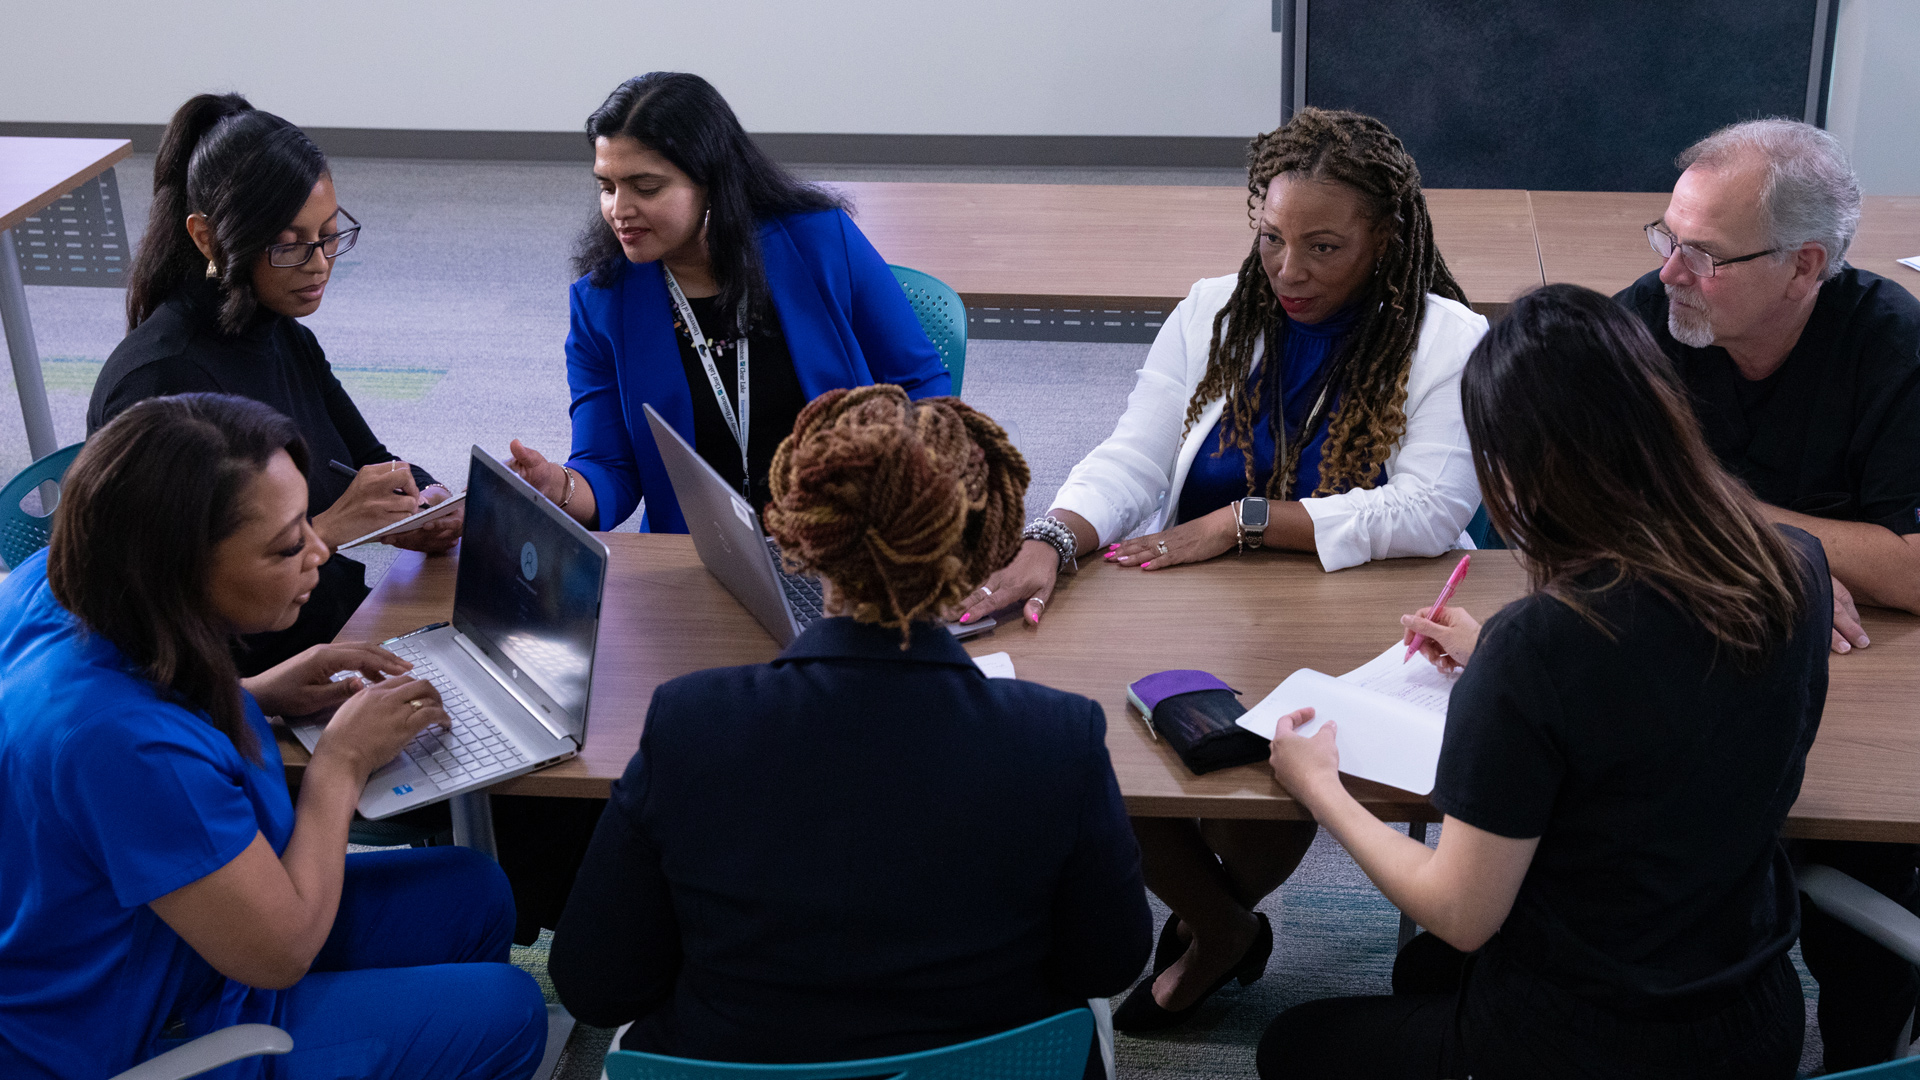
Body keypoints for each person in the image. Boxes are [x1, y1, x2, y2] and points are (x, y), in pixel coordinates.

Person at [958, 108, 1487, 1031]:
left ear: (1388, 238)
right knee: (1089, 752)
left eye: (1324, 246)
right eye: (1273, 239)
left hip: (1361, 622)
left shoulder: (1450, 341)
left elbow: (1430, 509)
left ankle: (1207, 937)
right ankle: (1224, 927)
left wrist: (1245, 522)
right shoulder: (1213, 309)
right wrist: (1054, 537)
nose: (1289, 270)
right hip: (1198, 613)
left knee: (1266, 781)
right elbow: (1134, 455)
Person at [1257, 284, 1830, 1080]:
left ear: (1520, 471)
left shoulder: (1541, 649)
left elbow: (1458, 913)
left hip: (1587, 1047)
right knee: (1420, 977)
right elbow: (1676, 687)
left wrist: (1320, 786)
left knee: (1294, 1045)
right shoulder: (1792, 561)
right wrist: (1495, 649)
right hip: (1748, 1012)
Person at [549, 386, 1150, 1077]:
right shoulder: (1058, 740)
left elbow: (596, 984)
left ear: (801, 532)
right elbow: (1109, 960)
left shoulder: (690, 723)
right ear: (985, 551)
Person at [0, 394, 546, 1080]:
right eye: (289, 545)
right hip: (119, 1038)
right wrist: (340, 766)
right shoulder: (124, 747)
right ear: (179, 572)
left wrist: (255, 692)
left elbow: (112, 729)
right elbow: (279, 952)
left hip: (150, 941)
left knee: (475, 892)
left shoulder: (57, 586)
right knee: (510, 1009)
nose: (321, 550)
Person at [1615, 118, 1920, 1072]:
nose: (1670, 273)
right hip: (1688, 665)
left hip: (1860, 684)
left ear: (1803, 267)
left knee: (1869, 918)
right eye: (1667, 238)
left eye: (1702, 255)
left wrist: (1732, 519)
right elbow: (1572, 500)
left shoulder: (1893, 348)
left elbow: (1913, 570)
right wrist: (1787, 554)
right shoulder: (1646, 319)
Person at [90, 93, 461, 677]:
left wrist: (425, 501)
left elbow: (368, 462)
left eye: (330, 235)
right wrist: (333, 531)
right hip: (250, 679)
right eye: (289, 244)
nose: (319, 263)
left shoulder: (280, 331)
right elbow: (167, 608)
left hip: (331, 629)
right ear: (208, 238)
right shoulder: (161, 384)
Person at [506, 72, 951, 531]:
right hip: (704, 556)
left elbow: (920, 382)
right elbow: (609, 470)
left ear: (712, 183)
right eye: (607, 187)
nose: (619, 209)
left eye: (646, 187)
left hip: (845, 539)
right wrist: (559, 487)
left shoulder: (819, 242)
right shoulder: (602, 303)